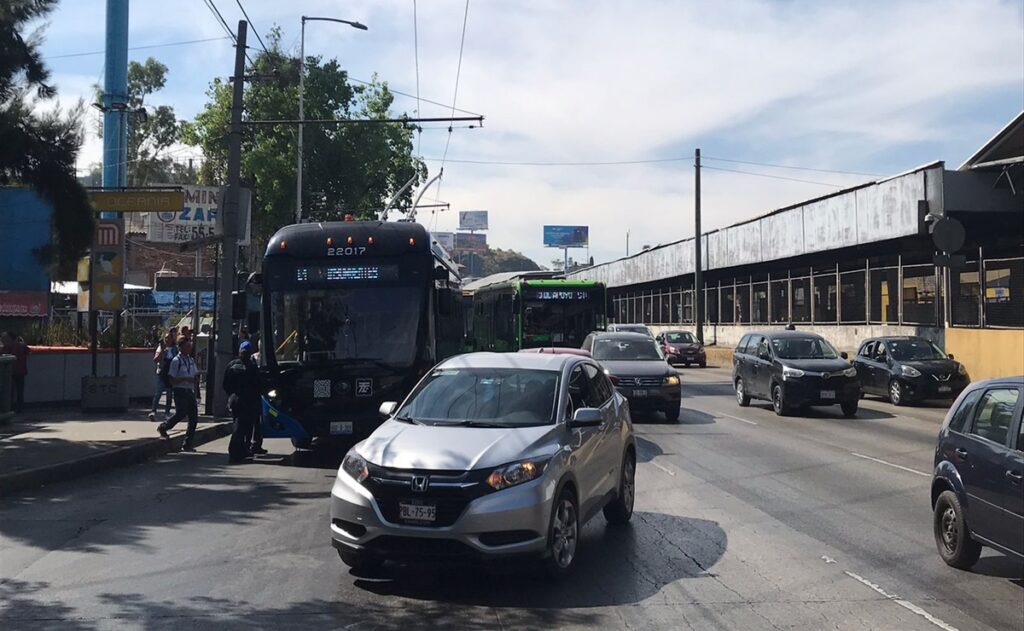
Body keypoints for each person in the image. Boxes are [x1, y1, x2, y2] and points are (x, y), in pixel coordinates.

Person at [158, 337, 200, 451]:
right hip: (180, 390)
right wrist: (185, 379)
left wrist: (195, 379)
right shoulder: (176, 361)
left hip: (189, 390)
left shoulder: (190, 360)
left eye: (190, 346)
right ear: (181, 348)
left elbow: (195, 374)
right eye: (187, 346)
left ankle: (188, 444)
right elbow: (172, 379)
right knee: (181, 413)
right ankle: (164, 427)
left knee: (193, 417)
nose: (189, 349)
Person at [223, 341, 262, 463]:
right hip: (247, 401)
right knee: (241, 428)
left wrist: (231, 396)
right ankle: (235, 452)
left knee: (241, 425)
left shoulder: (231, 365)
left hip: (235, 400)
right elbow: (257, 385)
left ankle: (242, 451)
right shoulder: (251, 367)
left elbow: (225, 384)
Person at [149, 329, 178, 421]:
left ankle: (167, 412)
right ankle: (153, 411)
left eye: (169, 338)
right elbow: (156, 360)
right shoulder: (160, 348)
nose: (167, 340)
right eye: (165, 338)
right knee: (158, 393)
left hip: (170, 374)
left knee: (169, 395)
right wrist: (162, 350)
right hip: (162, 372)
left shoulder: (174, 349)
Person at [1, 332, 30, 413]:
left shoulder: (9, 348)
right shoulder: (21, 345)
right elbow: (28, 351)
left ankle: (9, 408)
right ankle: (17, 408)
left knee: (11, 391)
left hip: (13, 372)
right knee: (18, 391)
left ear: (10, 339)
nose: (3, 341)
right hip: (19, 371)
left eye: (4, 339)